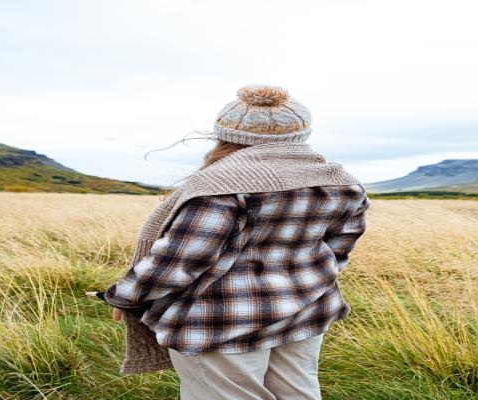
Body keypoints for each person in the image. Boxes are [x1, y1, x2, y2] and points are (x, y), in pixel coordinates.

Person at [87, 84, 370, 399]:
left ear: (225, 133)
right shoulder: (342, 183)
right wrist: (306, 282)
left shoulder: (221, 186)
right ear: (300, 133)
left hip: (220, 321)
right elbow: (337, 250)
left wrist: (125, 297)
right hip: (304, 312)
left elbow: (180, 259)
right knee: (299, 393)